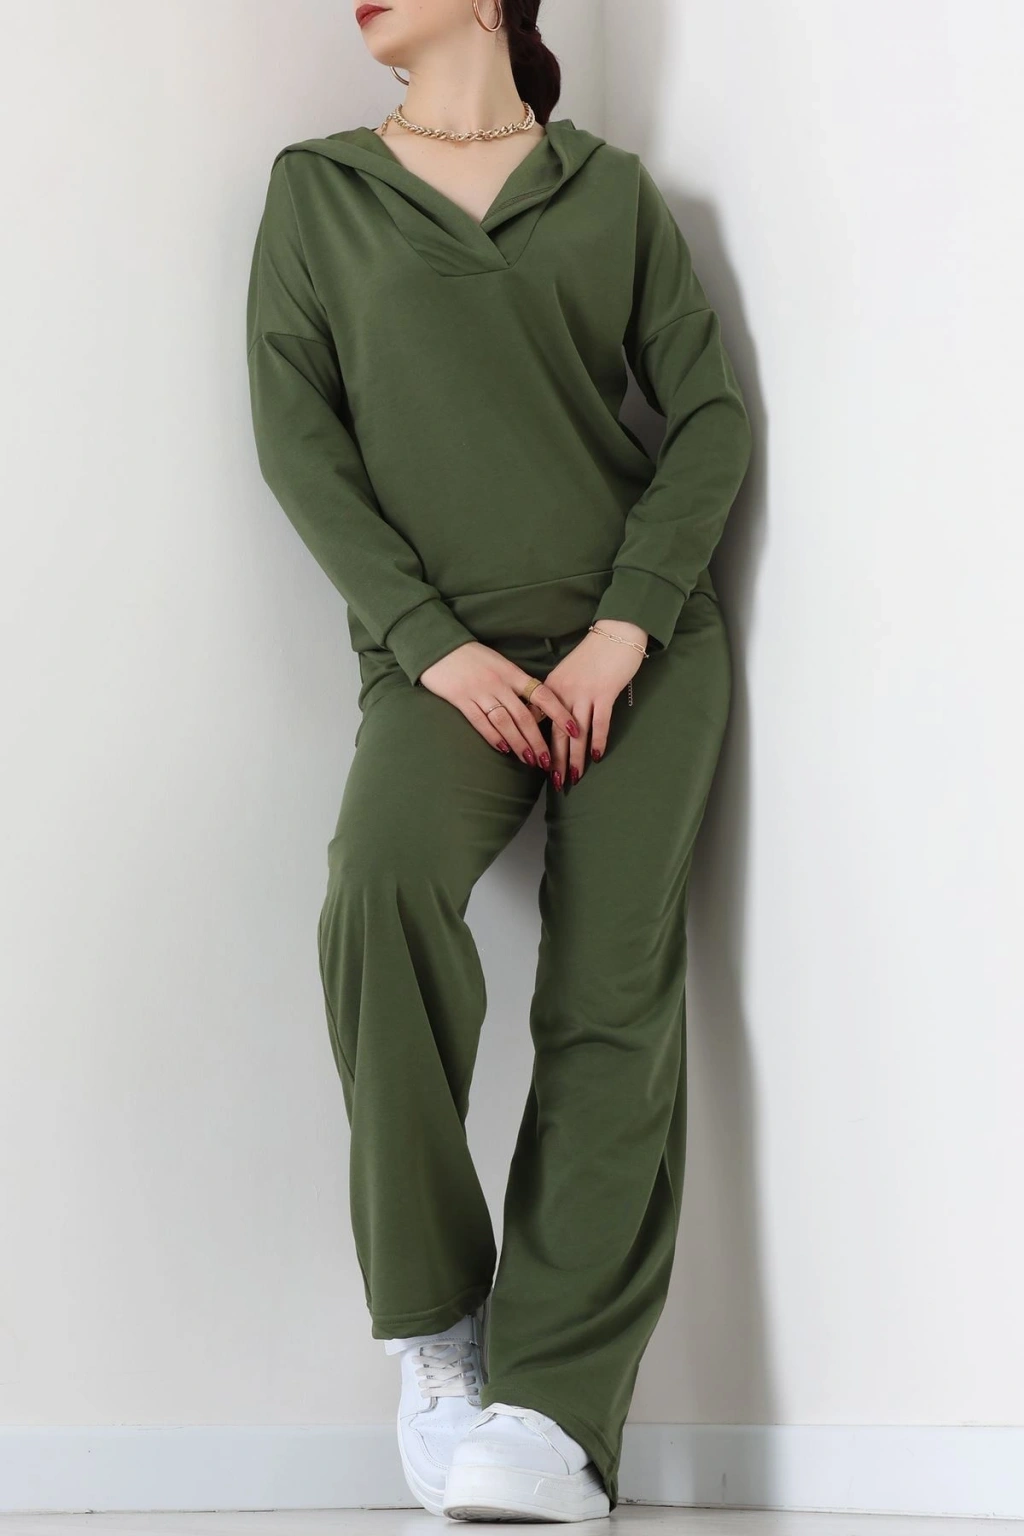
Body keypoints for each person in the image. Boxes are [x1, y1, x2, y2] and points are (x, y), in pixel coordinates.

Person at [245, 0, 752, 1521]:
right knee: (377, 893)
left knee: (609, 1002)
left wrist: (627, 626)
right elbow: (299, 441)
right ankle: (441, 1331)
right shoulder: (319, 192)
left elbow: (708, 418)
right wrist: (429, 641)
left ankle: (554, 1417)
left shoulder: (612, 193)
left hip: (634, 656)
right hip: (440, 667)